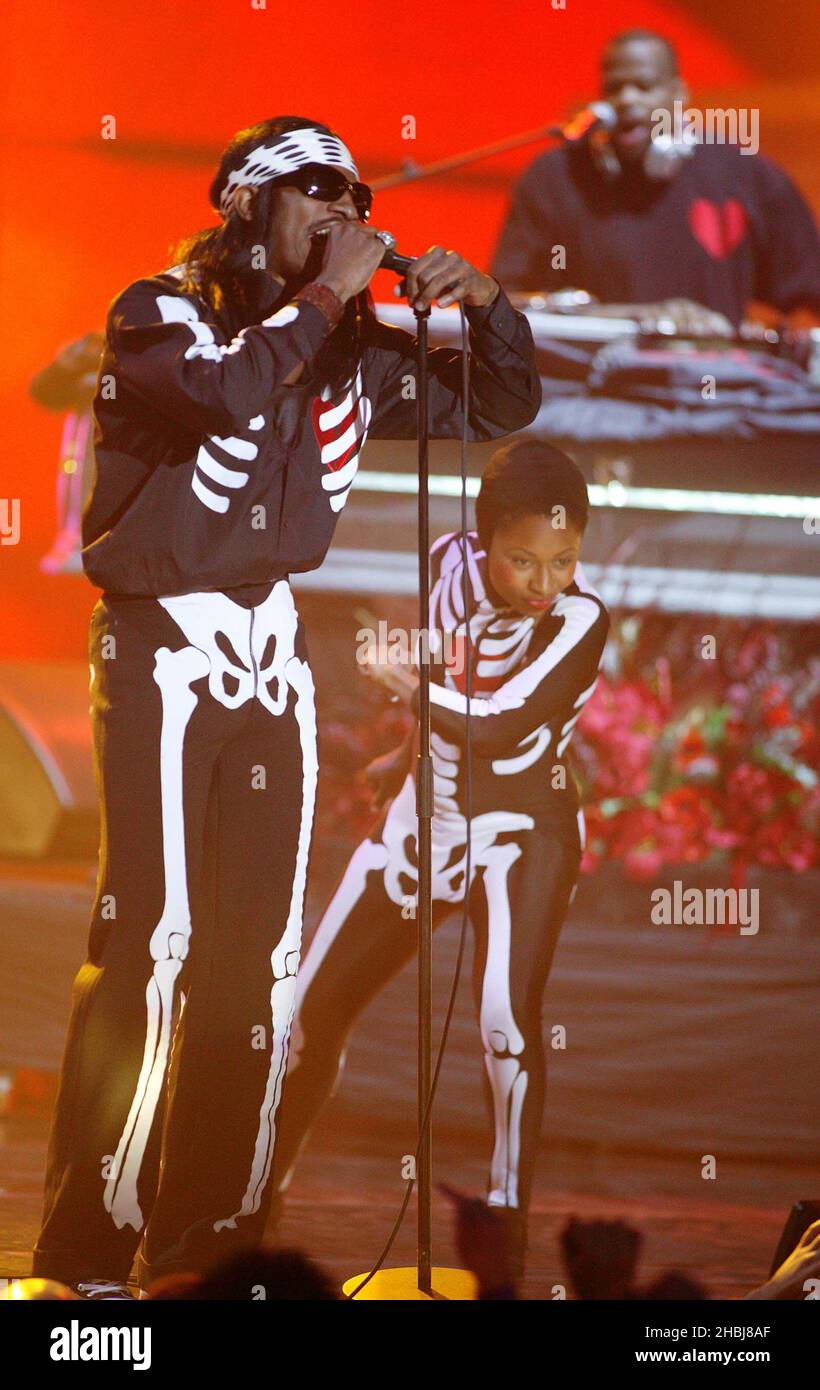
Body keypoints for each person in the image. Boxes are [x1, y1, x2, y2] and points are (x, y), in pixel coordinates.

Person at [30, 115, 541, 1298]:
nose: (342, 208)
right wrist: (328, 305)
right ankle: (87, 1252)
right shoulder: (159, 312)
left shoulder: (350, 350)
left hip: (271, 648)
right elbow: (222, 393)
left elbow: (498, 404)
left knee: (254, 963)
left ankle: (210, 1245)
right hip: (165, 642)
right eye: (316, 190)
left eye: (354, 192)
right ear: (249, 203)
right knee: (153, 943)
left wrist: (491, 303)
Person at [267, 440, 610, 1278]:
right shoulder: (444, 559)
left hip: (522, 830)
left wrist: (413, 691)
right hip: (425, 821)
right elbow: (454, 659)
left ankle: (503, 1242)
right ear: (485, 541)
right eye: (524, 559)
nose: (544, 581)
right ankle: (248, 1205)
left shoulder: (580, 622)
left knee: (501, 1018)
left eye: (563, 560)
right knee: (303, 1016)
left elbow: (501, 725)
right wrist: (409, 750)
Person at [492, 29, 820, 335]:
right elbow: (505, 302)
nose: (627, 99)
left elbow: (808, 291)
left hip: (714, 385)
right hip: (587, 387)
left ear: (679, 94)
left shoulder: (745, 175)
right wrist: (638, 317)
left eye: (644, 86)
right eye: (614, 88)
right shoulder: (554, 177)